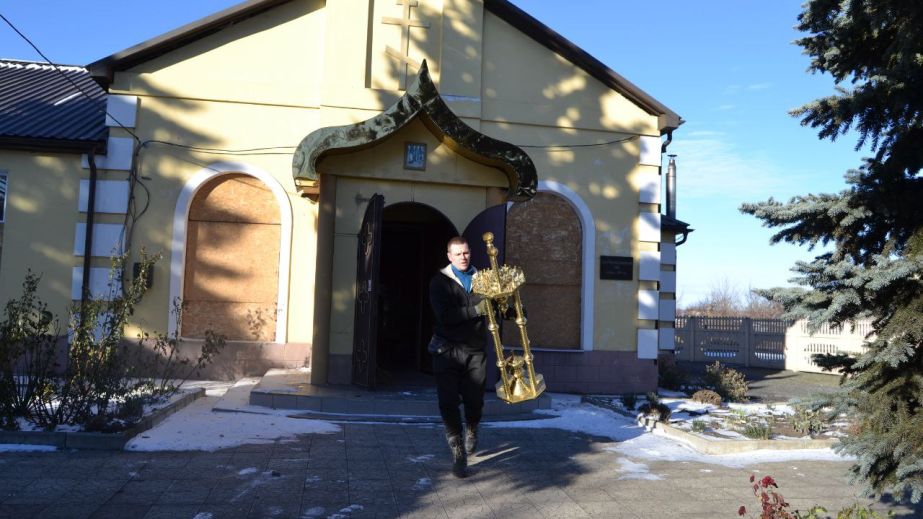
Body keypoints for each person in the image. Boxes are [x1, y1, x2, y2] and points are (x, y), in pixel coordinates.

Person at [429, 236, 490, 478]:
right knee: (448, 401)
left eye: (465, 252)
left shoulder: (483, 280)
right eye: (457, 253)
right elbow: (445, 315)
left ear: (470, 253)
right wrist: (475, 310)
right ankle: (458, 453)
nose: (462, 257)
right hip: (447, 350)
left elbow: (496, 308)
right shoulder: (439, 282)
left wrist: (515, 312)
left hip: (475, 352)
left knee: (475, 400)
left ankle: (472, 427)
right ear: (449, 256)